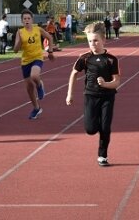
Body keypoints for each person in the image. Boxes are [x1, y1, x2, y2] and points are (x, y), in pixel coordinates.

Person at [66, 22, 121, 167]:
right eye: (90, 41)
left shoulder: (111, 60)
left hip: (108, 97)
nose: (92, 44)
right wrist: (69, 94)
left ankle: (102, 155)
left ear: (103, 40)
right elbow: (74, 74)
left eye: (96, 40)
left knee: (105, 127)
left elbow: (116, 82)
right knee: (90, 129)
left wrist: (106, 84)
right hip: (90, 96)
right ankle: (95, 123)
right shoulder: (85, 58)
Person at [13, 9, 56, 120]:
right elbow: (15, 50)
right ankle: (36, 108)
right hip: (25, 61)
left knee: (35, 76)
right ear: (22, 21)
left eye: (28, 18)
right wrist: (19, 42)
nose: (27, 20)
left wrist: (50, 52)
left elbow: (50, 38)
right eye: (24, 19)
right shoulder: (20, 32)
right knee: (29, 88)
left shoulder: (38, 29)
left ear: (32, 20)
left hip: (37, 57)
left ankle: (40, 85)